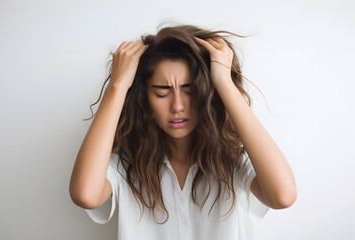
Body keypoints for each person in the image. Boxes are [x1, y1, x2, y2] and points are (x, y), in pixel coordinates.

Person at [69, 23, 297, 240]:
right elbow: (85, 194)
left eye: (190, 90)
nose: (178, 106)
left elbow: (283, 196)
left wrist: (224, 84)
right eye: (162, 92)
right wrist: (117, 86)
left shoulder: (232, 162)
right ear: (145, 98)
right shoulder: (124, 167)